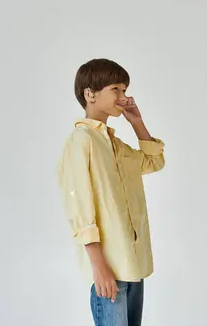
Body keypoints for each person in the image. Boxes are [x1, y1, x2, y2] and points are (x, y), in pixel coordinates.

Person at [56, 58, 165, 326]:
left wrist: (137, 122)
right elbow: (79, 206)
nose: (123, 96)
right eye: (116, 89)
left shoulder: (114, 144)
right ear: (90, 94)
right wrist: (98, 265)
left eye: (125, 89)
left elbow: (153, 162)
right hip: (109, 269)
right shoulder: (81, 142)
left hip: (133, 266)